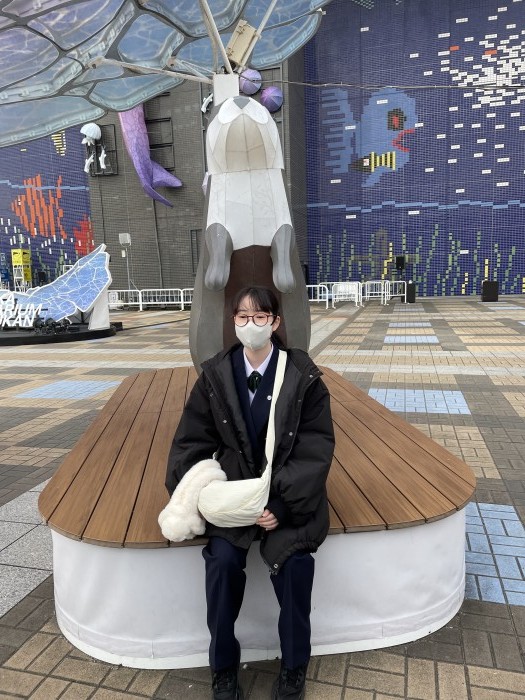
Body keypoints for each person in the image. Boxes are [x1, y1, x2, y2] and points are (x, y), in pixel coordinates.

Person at [166, 286, 335, 700]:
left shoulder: (302, 376)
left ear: (275, 322)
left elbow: (315, 447)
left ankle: (293, 665)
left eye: (260, 317)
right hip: (234, 495)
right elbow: (189, 442)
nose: (251, 324)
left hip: (286, 500)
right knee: (222, 563)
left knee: (295, 565)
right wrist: (207, 494)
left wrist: (280, 504)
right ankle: (223, 667)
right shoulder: (216, 376)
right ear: (234, 323)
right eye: (242, 317)